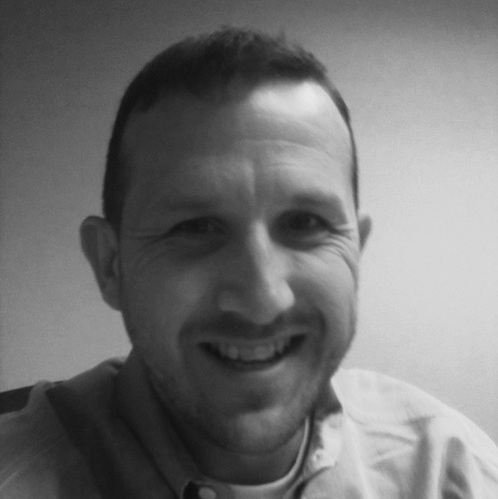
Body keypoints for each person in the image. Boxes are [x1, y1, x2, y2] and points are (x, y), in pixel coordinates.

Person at [0, 27, 497, 499]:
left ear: (356, 254)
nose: (263, 300)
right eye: (196, 227)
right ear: (111, 265)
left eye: (305, 223)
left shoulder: (451, 469)